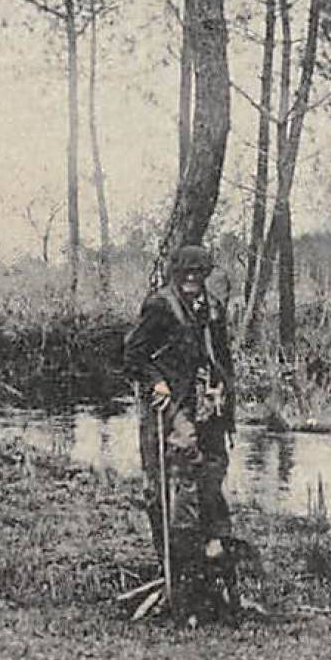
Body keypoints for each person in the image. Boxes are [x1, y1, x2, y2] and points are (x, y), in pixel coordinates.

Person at [123, 244, 236, 582]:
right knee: (172, 477)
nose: (191, 279)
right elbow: (132, 356)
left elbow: (223, 357)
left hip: (207, 401)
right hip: (169, 404)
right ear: (175, 274)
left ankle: (214, 548)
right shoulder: (160, 306)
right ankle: (175, 557)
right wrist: (156, 383)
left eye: (198, 273)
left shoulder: (213, 308)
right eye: (185, 273)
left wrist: (224, 391)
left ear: (205, 275)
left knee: (213, 470)